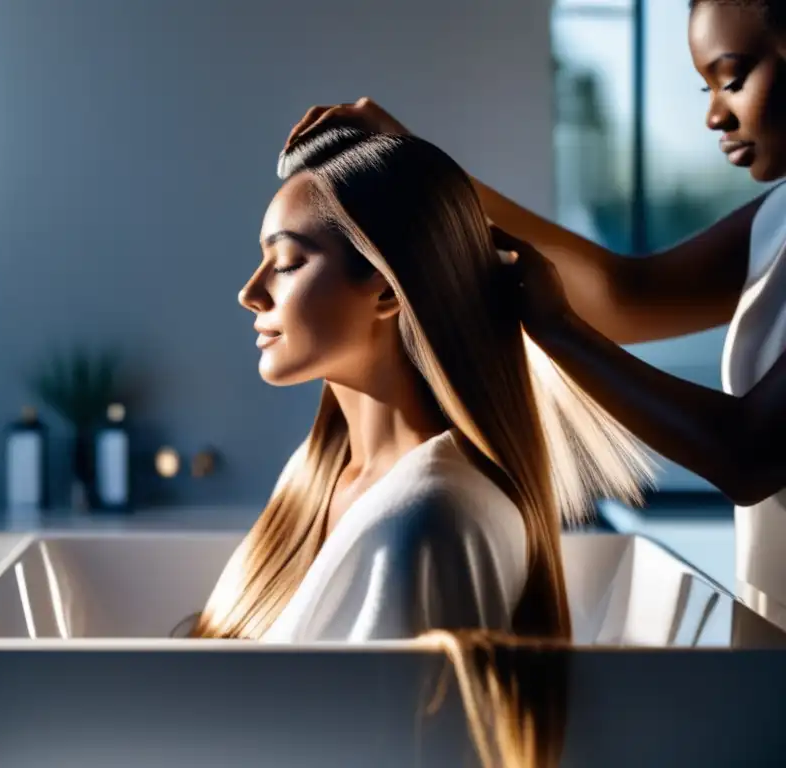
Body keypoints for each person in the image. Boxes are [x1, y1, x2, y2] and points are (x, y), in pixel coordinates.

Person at [281, 2, 786, 624]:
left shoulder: (438, 513)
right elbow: (625, 295)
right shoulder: (777, 220)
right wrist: (425, 175)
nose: (713, 115)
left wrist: (559, 332)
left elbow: (751, 454)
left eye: (732, 78)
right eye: (705, 86)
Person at [190, 119, 653, 644]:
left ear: (388, 292)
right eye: (263, 259)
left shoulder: (433, 521)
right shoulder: (318, 472)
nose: (251, 292)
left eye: (289, 262)